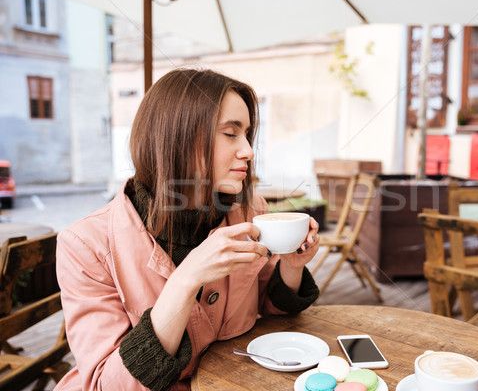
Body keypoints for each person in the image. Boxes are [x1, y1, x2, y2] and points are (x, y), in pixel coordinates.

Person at [54, 69, 321, 391]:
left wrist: (292, 266)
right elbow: (106, 384)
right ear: (176, 137)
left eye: (248, 134)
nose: (249, 150)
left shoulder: (250, 212)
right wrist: (185, 279)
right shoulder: (86, 244)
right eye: (230, 133)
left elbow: (270, 309)